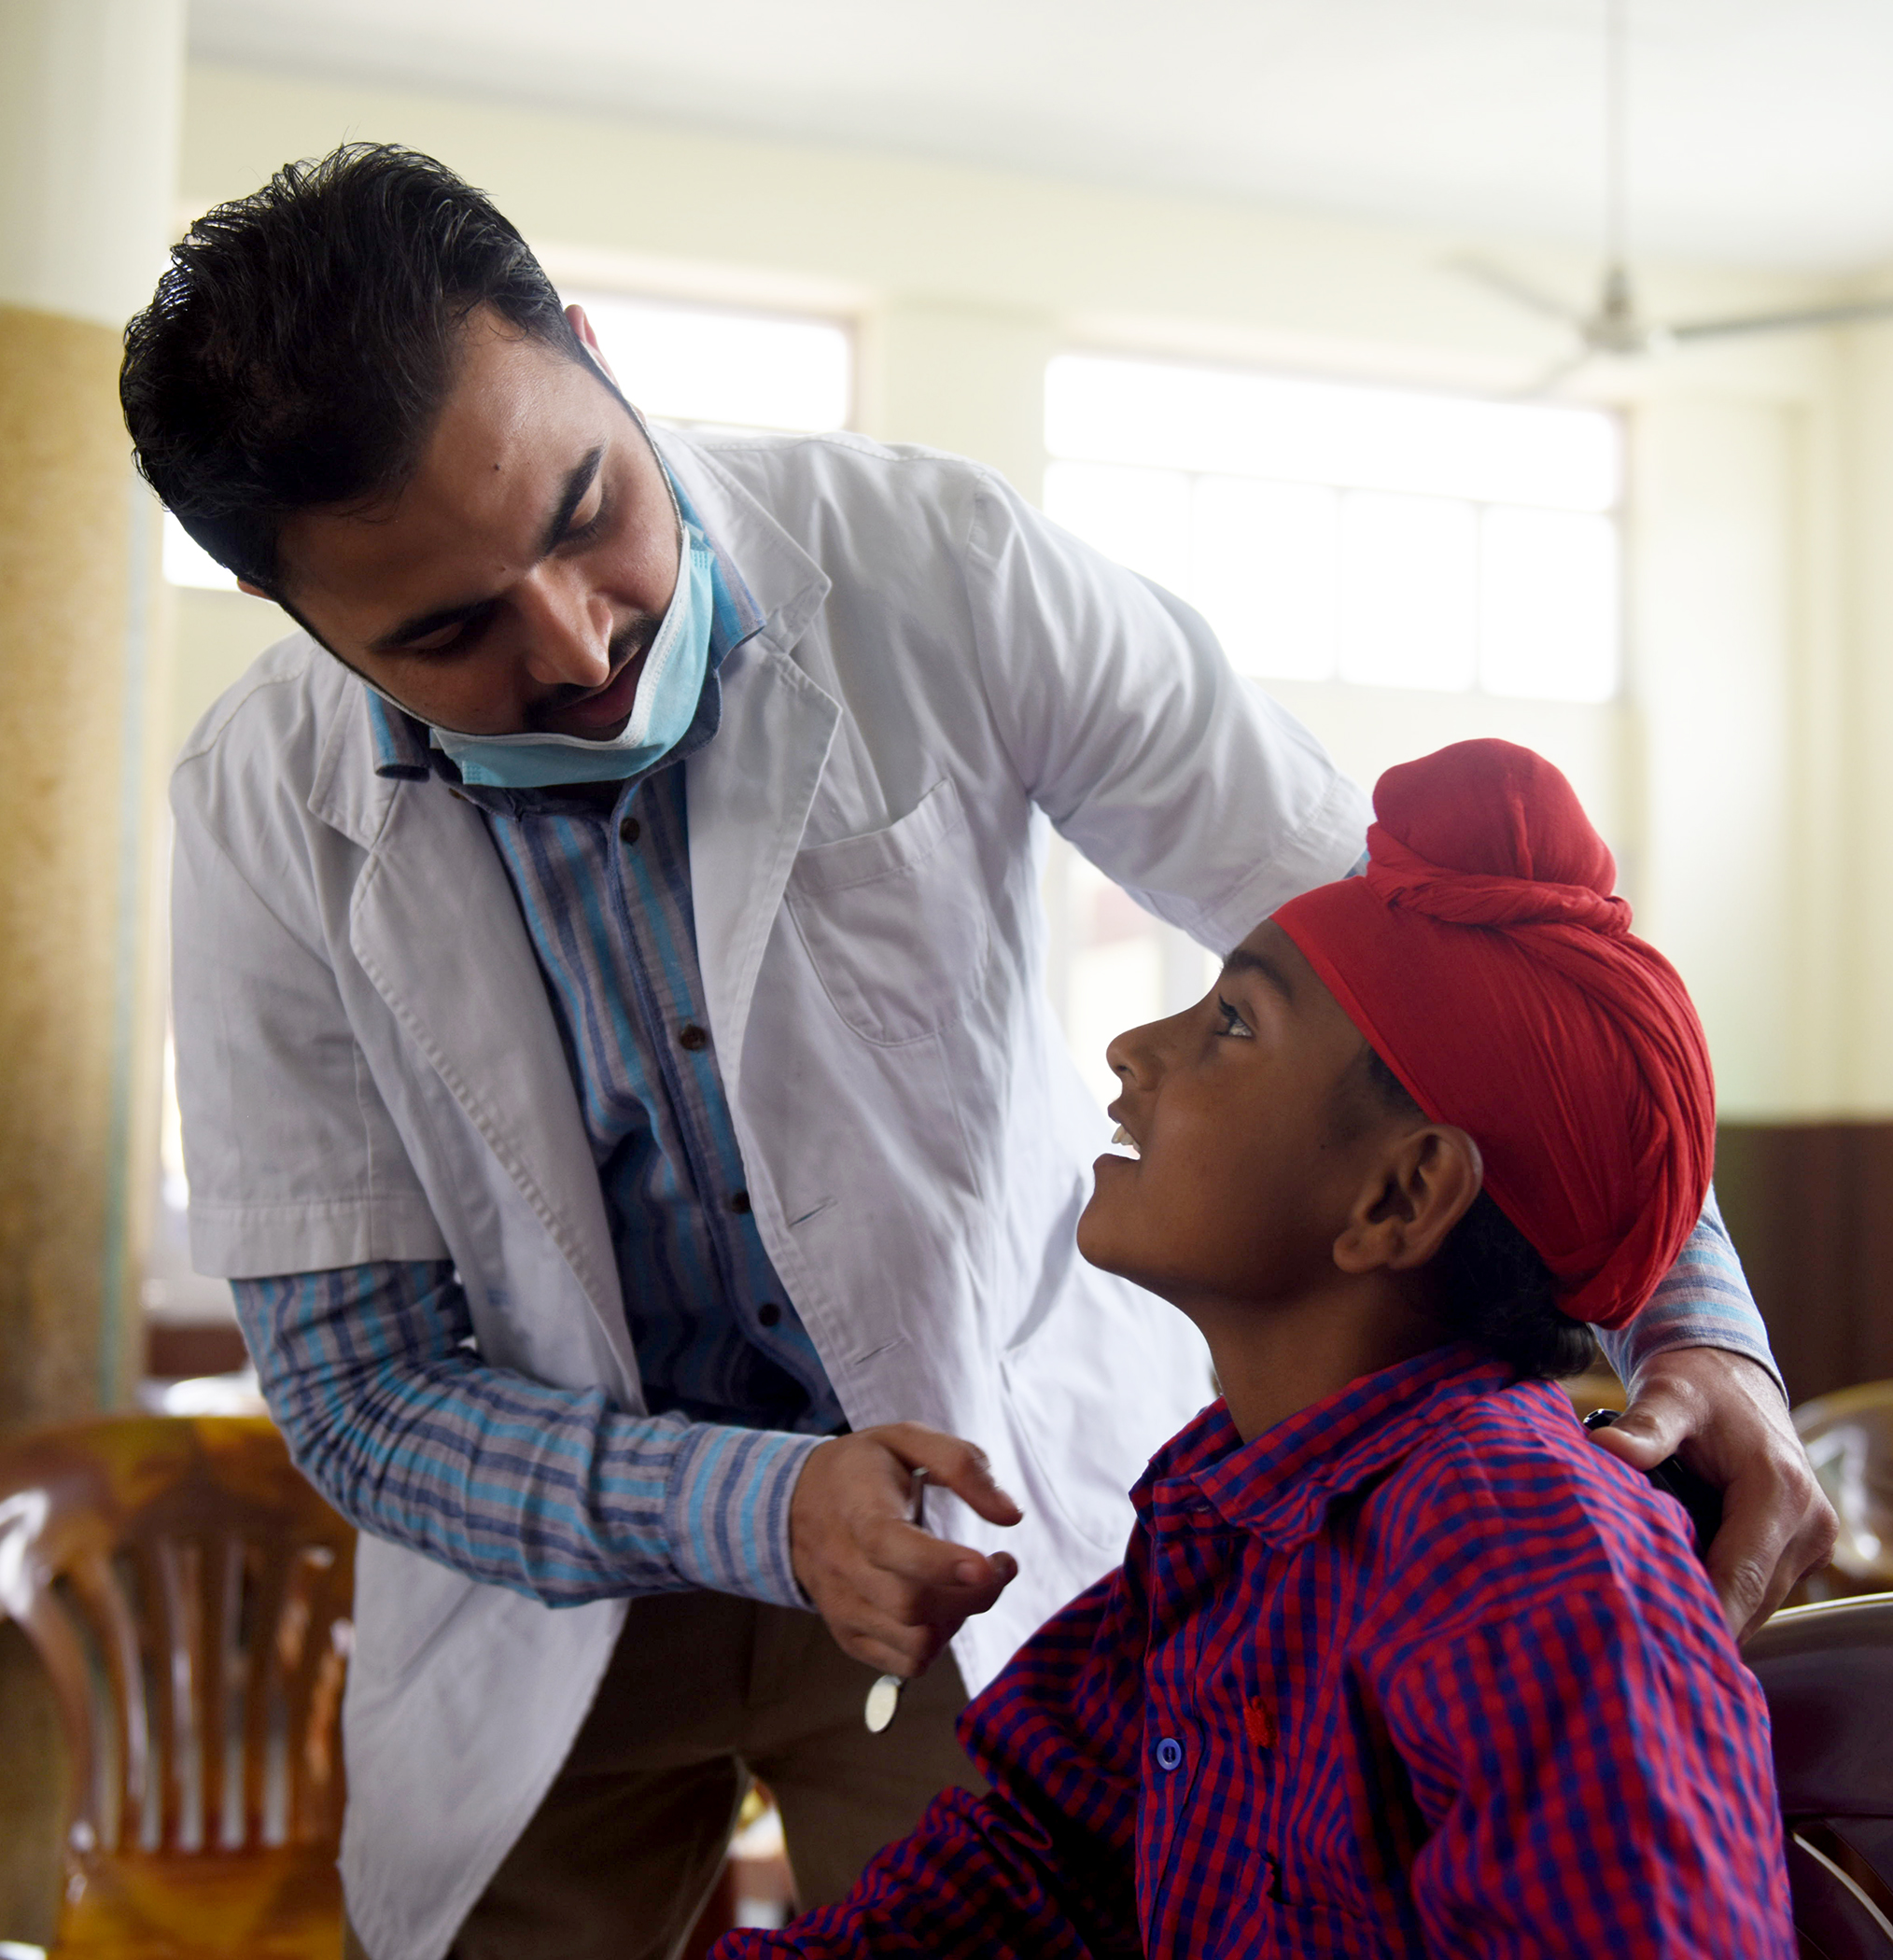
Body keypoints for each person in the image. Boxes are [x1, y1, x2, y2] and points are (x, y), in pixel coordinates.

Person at [118, 146, 1828, 1960]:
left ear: (597, 357)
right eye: (448, 631)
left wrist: (1689, 1321)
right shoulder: (262, 811)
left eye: (582, 512)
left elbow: (1467, 970)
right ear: (304, 623)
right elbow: (363, 1392)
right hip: (561, 1578)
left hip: (984, 1522)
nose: (579, 640)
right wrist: (759, 1507)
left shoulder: (942, 570)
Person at [721, 739, 1796, 1959]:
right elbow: (1033, 1869)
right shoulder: (1231, 1514)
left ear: (1400, 1196)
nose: (1133, 1050)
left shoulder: (1521, 1552)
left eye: (1234, 1021)